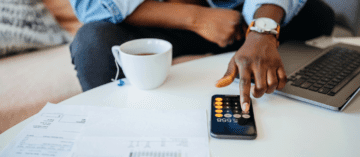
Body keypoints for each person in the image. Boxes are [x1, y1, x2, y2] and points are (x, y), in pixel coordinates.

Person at [69, 0, 335, 112]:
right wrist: (197, 19)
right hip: (160, 19)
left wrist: (262, 30)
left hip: (240, 17)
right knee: (93, 43)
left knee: (318, 15)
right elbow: (92, 5)